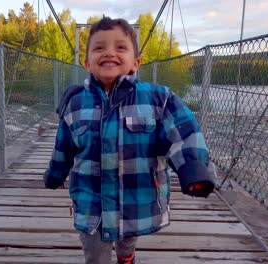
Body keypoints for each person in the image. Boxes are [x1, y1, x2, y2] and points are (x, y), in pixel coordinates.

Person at [44, 16, 215, 264]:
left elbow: (184, 131)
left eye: (120, 47)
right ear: (87, 63)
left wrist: (194, 167)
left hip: (135, 200)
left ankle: (126, 256)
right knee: (95, 253)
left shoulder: (159, 99)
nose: (109, 53)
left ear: (136, 63)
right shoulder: (74, 103)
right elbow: (63, 146)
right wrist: (55, 175)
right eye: (99, 48)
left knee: (127, 239)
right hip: (92, 203)